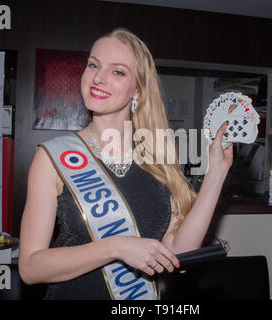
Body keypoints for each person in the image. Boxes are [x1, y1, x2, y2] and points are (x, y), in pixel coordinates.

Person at [18, 28, 233, 300]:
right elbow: (30, 267)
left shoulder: (159, 160)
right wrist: (115, 247)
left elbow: (179, 254)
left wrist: (216, 173)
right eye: (94, 65)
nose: (98, 77)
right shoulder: (53, 157)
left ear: (138, 91)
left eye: (117, 72)